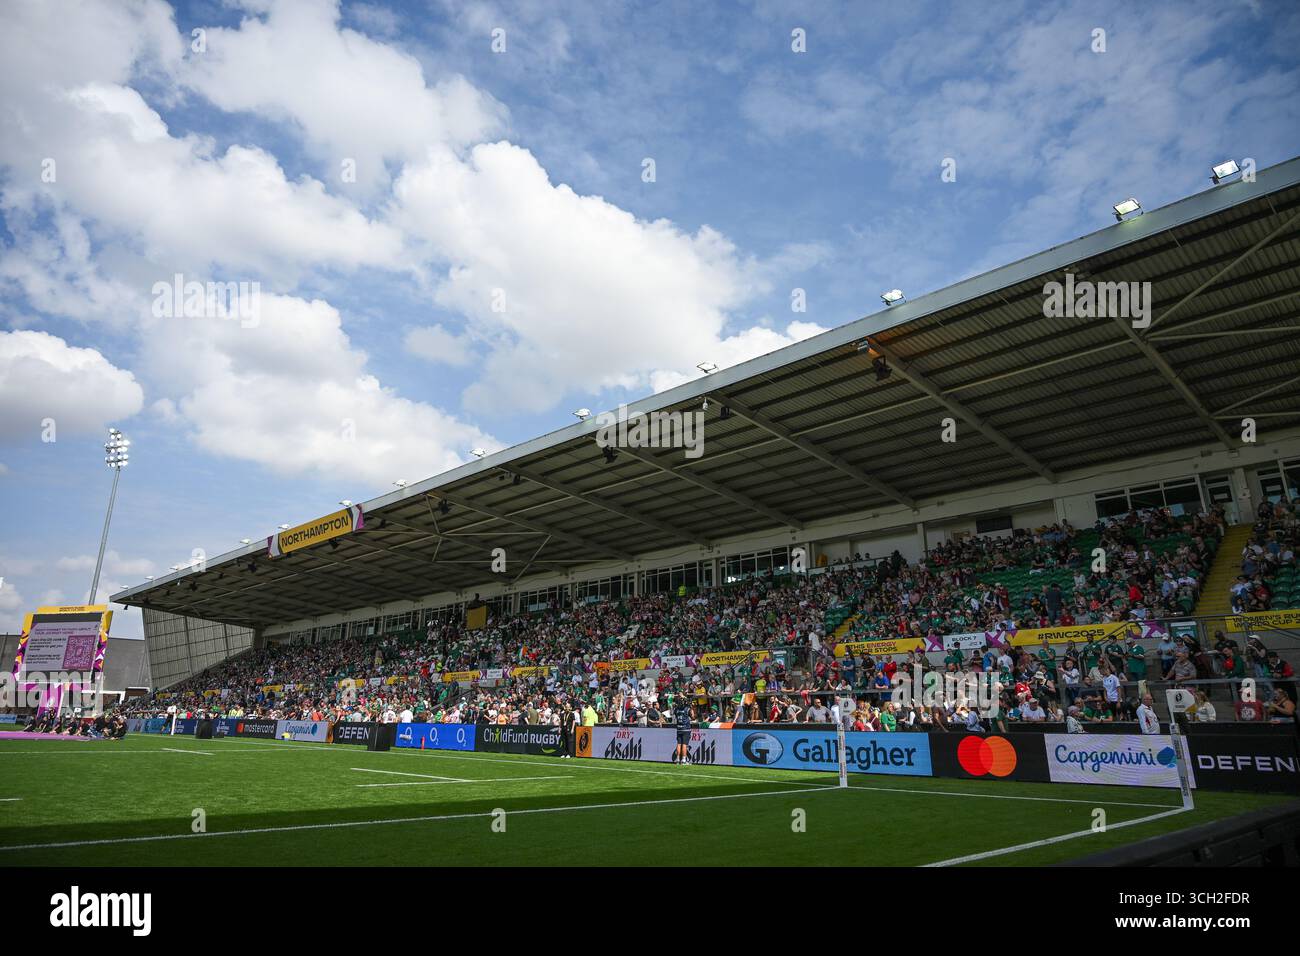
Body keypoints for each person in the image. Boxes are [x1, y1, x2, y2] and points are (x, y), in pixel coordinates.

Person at [673, 700, 693, 765]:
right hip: (686, 728)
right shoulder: (687, 709)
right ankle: (684, 760)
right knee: (684, 744)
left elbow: (675, 715)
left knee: (679, 744)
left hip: (679, 728)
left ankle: (678, 759)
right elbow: (692, 717)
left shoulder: (676, 709)